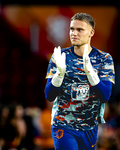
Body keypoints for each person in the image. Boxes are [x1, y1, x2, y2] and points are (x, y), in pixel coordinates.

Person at [44, 13, 115, 150]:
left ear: (91, 32)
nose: (74, 33)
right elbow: (49, 95)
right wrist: (59, 75)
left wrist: (92, 75)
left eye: (80, 29)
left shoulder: (104, 59)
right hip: (63, 124)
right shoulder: (60, 57)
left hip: (90, 127)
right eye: (72, 29)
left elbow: (105, 96)